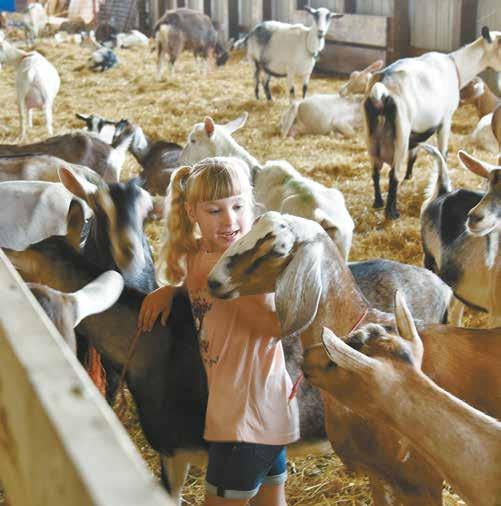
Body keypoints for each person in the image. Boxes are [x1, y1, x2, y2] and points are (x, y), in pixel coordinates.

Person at [137, 157, 299, 506]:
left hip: (246, 421)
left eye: (238, 206)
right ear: (192, 213)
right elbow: (200, 283)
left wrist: (254, 291)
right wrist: (172, 291)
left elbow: (274, 327)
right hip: (258, 413)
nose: (229, 220)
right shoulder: (201, 257)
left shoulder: (247, 272)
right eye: (215, 210)